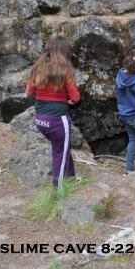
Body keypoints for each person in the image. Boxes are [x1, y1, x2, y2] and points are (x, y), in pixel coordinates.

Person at [26, 36, 81, 188]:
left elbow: (29, 93)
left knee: (62, 149)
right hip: (58, 121)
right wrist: (67, 100)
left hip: (40, 120)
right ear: (64, 52)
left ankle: (71, 179)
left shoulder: (37, 68)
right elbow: (76, 97)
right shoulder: (66, 70)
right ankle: (58, 191)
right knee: (60, 154)